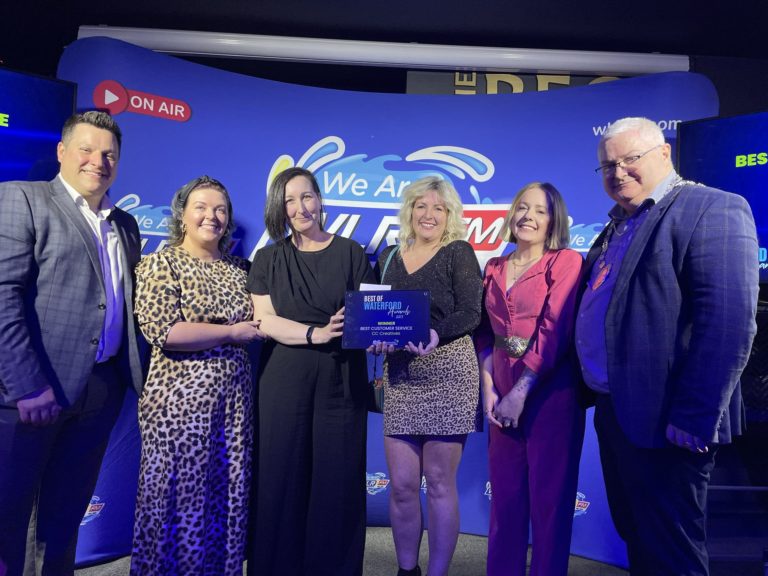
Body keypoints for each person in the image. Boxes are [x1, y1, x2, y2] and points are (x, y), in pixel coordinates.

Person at [575, 117, 759, 575]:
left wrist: (695, 416)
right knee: (638, 538)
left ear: (664, 153)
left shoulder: (712, 207)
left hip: (671, 422)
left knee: (673, 552)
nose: (618, 172)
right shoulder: (618, 225)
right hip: (617, 413)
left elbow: (729, 323)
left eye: (630, 159)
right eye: (608, 165)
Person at [0, 111, 144, 575]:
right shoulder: (22, 198)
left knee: (63, 523)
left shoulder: (126, 225)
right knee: (7, 523)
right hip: (32, 395)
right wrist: (26, 385)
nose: (98, 161)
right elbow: (3, 297)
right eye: (87, 149)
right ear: (62, 151)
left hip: (99, 393)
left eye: (109, 154)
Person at [130, 176, 262, 575]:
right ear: (182, 216)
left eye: (220, 209)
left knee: (225, 499)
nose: (212, 216)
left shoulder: (241, 269)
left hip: (232, 409)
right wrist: (230, 333)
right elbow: (163, 331)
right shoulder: (160, 263)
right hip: (176, 409)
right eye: (201, 207)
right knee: (175, 503)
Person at [247, 167, 374, 576]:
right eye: (289, 200)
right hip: (284, 381)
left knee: (338, 481)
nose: (300, 207)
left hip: (342, 381)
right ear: (279, 209)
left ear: (319, 199)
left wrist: (372, 332)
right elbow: (264, 320)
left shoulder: (352, 253)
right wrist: (315, 333)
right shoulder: (267, 258)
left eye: (307, 197)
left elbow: (369, 320)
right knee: (281, 479)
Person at [373, 176, 483, 576]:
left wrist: (437, 333)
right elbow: (378, 312)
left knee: (438, 483)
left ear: (450, 214)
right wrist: (376, 338)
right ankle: (407, 570)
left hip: (448, 374)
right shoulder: (389, 256)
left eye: (439, 208)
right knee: (402, 485)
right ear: (410, 210)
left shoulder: (458, 252)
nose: (429, 214)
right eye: (422, 205)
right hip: (401, 377)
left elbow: (471, 312)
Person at [476, 182, 585, 576]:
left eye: (540, 210)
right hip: (501, 390)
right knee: (506, 501)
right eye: (523, 207)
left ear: (553, 220)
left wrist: (520, 392)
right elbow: (485, 333)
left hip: (550, 391)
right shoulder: (494, 267)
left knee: (550, 503)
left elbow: (555, 328)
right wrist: (489, 387)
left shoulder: (566, 262)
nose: (528, 216)